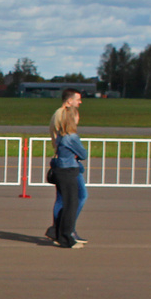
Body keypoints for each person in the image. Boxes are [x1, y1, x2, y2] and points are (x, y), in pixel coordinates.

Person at [47, 88, 87, 244]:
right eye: (78, 99)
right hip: (67, 164)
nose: (80, 102)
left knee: (64, 199)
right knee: (76, 197)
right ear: (69, 101)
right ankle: (65, 230)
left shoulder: (61, 114)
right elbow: (65, 139)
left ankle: (61, 230)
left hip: (65, 162)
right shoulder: (61, 115)